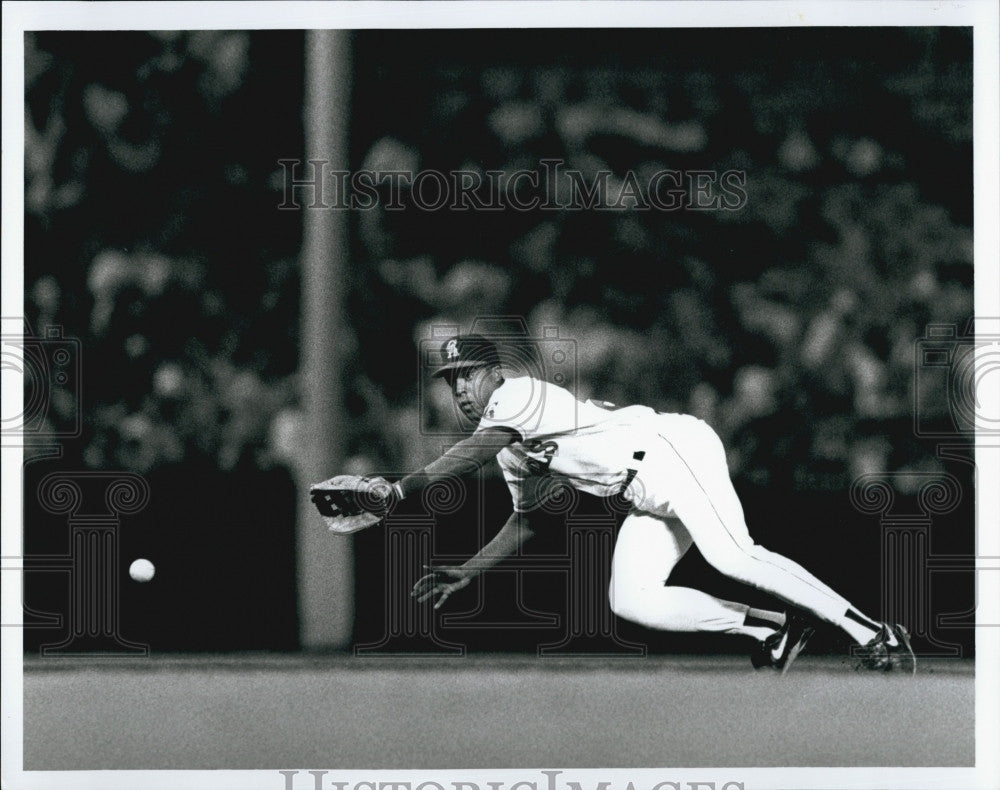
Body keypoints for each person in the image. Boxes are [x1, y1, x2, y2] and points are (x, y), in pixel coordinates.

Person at [376, 334, 914, 673]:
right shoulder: (508, 449)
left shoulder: (516, 395)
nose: (460, 389)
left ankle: (873, 631)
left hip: (671, 449)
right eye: (452, 381)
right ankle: (772, 628)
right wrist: (470, 570)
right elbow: (530, 520)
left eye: (467, 373)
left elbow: (471, 453)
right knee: (631, 599)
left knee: (734, 556)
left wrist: (399, 489)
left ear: (494, 371)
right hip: (643, 491)